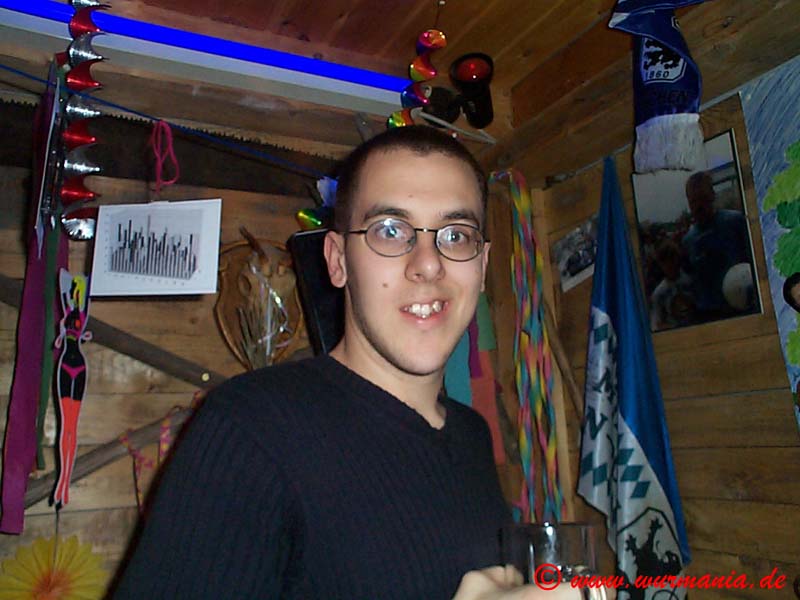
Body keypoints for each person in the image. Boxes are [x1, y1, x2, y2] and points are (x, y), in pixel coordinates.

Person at [112, 126, 569, 599]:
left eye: (456, 235)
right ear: (337, 260)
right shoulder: (250, 428)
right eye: (390, 230)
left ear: (482, 266)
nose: (428, 264)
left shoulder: (471, 435)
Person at [680, 170, 751, 320]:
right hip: (709, 315)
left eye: (703, 198)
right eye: (693, 201)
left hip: (742, 309)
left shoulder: (736, 222)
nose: (699, 206)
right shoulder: (687, 241)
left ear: (712, 195)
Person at [649, 238, 695, 330]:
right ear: (660, 264)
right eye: (665, 262)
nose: (670, 264)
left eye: (672, 259)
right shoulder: (659, 293)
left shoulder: (690, 281)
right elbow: (657, 324)